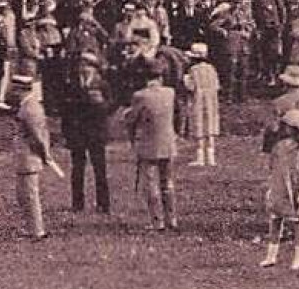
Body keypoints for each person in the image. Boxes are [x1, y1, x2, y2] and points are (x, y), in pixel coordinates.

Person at [122, 63, 179, 232]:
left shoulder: (140, 96)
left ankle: (157, 221)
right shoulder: (170, 93)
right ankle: (172, 218)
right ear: (161, 77)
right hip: (167, 142)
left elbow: (132, 118)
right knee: (167, 182)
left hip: (149, 143)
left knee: (151, 183)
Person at [260, 108, 299, 270]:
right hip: (279, 188)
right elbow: (273, 168)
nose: (284, 129)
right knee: (275, 221)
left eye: (287, 126)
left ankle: (298, 257)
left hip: (296, 189)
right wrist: (271, 187)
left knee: (298, 224)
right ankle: (271, 255)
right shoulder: (278, 147)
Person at [8, 74, 59, 240]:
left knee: (30, 195)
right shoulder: (28, 105)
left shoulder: (29, 108)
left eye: (15, 89)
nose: (12, 92)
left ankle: (37, 231)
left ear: (20, 90)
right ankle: (31, 228)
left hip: (29, 157)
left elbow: (37, 135)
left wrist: (45, 154)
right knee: (24, 195)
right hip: (26, 156)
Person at [62, 52, 112, 214]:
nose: (83, 69)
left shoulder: (102, 85)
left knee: (100, 170)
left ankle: (103, 204)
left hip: (96, 133)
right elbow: (66, 112)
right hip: (78, 134)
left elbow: (111, 106)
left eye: (87, 66)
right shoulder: (71, 85)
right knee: (77, 170)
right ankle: (77, 203)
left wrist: (101, 104)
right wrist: (67, 134)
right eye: (81, 65)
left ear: (95, 68)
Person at [185, 42, 221, 167]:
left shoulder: (193, 70)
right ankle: (211, 157)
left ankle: (200, 157)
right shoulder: (212, 69)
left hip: (198, 99)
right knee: (210, 125)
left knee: (199, 125)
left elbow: (191, 87)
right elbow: (217, 85)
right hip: (211, 99)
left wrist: (185, 80)